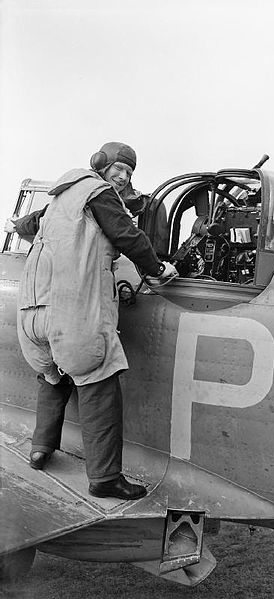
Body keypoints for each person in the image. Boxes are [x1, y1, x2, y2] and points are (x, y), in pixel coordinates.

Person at [4, 142, 177, 500]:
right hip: (72, 316)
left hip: (34, 316)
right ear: (100, 164)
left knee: (53, 373)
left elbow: (25, 225)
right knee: (100, 382)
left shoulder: (59, 198)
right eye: (120, 168)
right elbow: (127, 236)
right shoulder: (99, 193)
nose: (124, 176)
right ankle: (105, 478)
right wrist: (158, 268)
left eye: (129, 172)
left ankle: (40, 449)